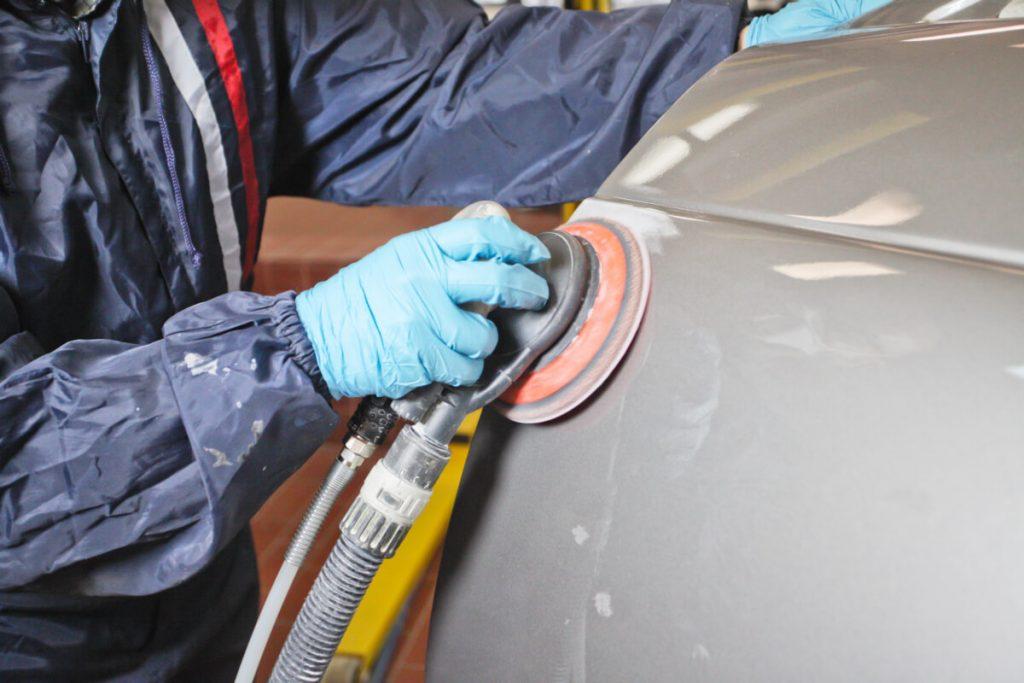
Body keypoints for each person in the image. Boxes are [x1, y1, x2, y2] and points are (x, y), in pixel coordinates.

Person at [0, 0, 886, 679]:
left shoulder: (179, 17)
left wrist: (720, 58)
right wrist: (304, 350)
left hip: (198, 595)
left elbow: (445, 87)